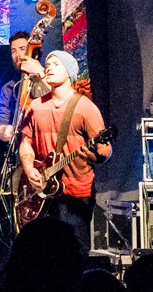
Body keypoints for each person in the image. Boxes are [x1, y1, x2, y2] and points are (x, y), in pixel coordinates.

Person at [17, 50, 111, 253]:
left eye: (56, 64)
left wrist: (93, 156)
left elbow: (106, 151)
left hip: (75, 195)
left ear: (69, 73)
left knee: (74, 253)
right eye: (47, 64)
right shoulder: (35, 106)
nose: (49, 67)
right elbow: (25, 142)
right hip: (41, 192)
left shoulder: (85, 108)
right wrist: (29, 168)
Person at [0, 31, 49, 144]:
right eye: (13, 51)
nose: (18, 55)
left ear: (35, 54)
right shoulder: (9, 88)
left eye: (22, 49)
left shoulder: (51, 78)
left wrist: (40, 71)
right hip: (21, 147)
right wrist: (5, 130)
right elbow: (1, 122)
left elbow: (62, 100)